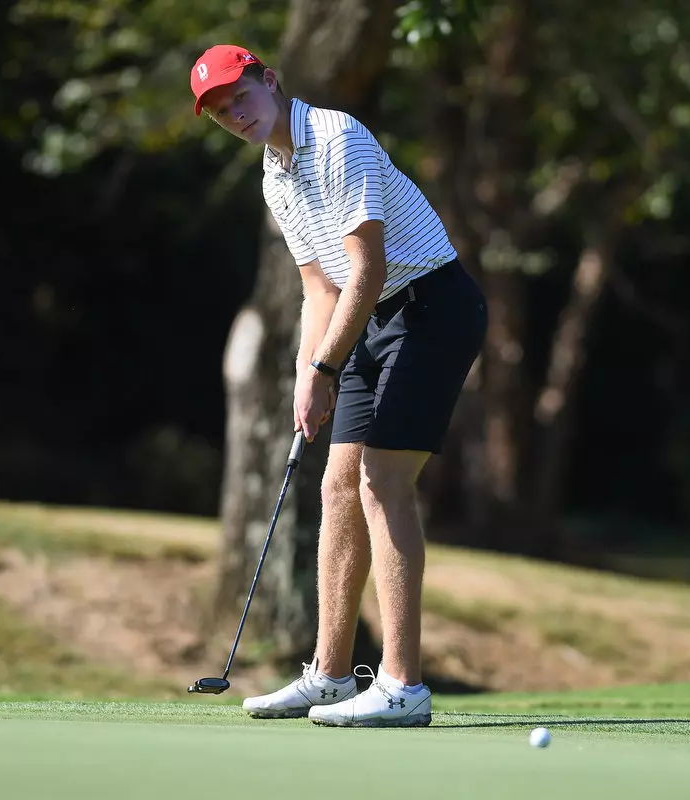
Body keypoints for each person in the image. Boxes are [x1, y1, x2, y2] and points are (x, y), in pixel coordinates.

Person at [190, 44, 487, 727]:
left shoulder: (337, 137)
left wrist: (327, 368)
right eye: (220, 113)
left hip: (432, 308)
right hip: (368, 315)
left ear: (271, 81)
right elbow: (318, 287)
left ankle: (403, 687)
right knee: (336, 485)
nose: (235, 116)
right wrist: (306, 377)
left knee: (382, 480)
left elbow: (369, 268)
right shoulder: (274, 175)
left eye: (242, 98)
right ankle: (328, 674)